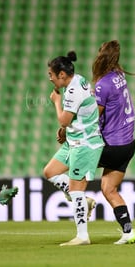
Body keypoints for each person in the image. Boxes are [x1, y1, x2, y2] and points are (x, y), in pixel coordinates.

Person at [47, 51, 104, 246]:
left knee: (75, 188)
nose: (50, 78)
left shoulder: (72, 91)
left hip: (85, 144)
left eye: (51, 75)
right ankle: (83, 201)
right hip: (74, 139)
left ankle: (82, 236)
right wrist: (66, 130)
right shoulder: (78, 80)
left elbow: (64, 118)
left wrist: (56, 102)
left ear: (62, 74)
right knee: (50, 172)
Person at [92, 40, 135, 244]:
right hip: (128, 145)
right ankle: (128, 231)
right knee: (109, 189)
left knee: (72, 161)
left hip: (113, 145)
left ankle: (79, 200)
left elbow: (93, 119)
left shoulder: (103, 85)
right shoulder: (119, 76)